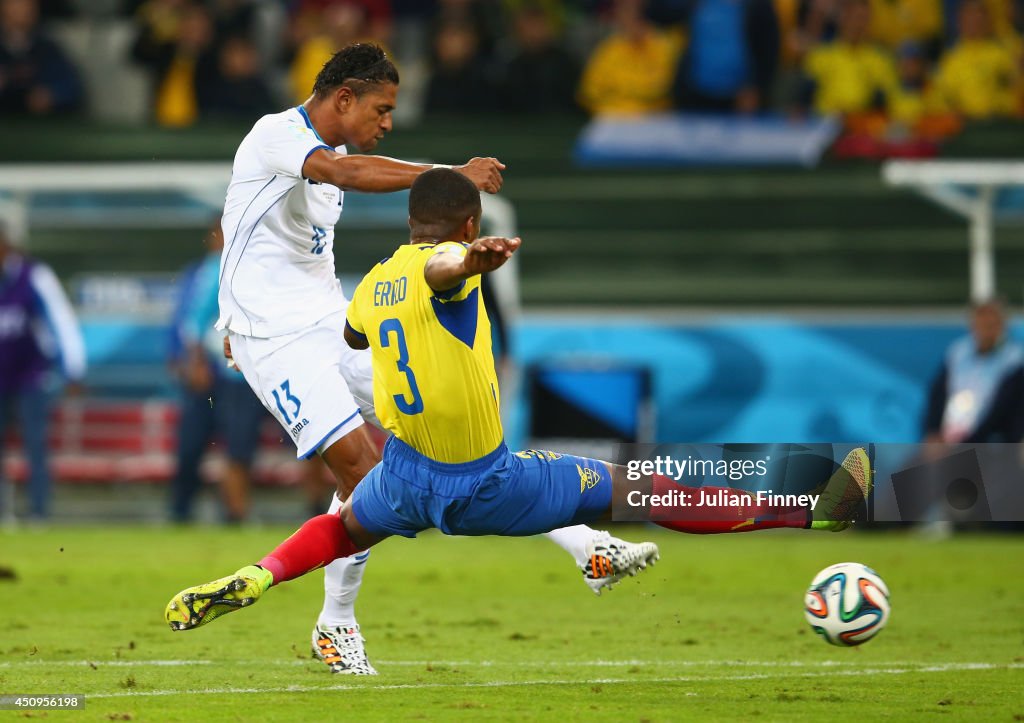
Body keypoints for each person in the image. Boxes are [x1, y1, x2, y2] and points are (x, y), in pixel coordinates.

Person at [164, 169, 874, 642]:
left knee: (347, 527)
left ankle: (259, 574)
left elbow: (351, 331)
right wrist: (469, 263)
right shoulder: (452, 269)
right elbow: (443, 271)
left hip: (404, 476)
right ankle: (810, 507)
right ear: (467, 224)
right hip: (483, 480)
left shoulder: (377, 279)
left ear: (412, 219)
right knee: (643, 489)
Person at [212, 43, 661, 676]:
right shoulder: (277, 136)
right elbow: (348, 177)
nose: (387, 122)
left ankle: (585, 545)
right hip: (276, 340)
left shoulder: (333, 155)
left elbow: (258, 228)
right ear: (344, 98)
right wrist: (448, 175)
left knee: (453, 445)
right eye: (382, 108)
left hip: (326, 322)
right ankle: (334, 624)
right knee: (363, 474)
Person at [168, 218, 268, 523]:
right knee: (213, 446)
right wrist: (193, 363)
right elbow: (191, 323)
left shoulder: (248, 267)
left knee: (238, 447)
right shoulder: (217, 268)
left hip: (243, 374)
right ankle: (197, 512)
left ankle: (233, 513)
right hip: (222, 374)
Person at [0, 219, 86, 521]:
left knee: (35, 444)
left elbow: (61, 320)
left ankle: (38, 512)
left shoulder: (33, 275)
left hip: (30, 375)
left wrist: (73, 368)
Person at [923, 299, 1024, 444]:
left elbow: (1002, 412)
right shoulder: (957, 352)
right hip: (947, 438)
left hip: (989, 441)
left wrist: (967, 442)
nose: (986, 330)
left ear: (1002, 326)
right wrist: (934, 432)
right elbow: (937, 395)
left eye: (991, 324)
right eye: (982, 323)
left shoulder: (1014, 361)